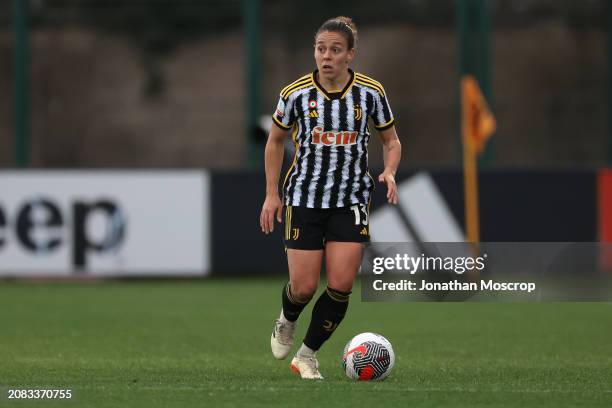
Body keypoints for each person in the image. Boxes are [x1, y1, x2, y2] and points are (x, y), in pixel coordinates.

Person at [259, 16, 401, 380]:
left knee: (340, 284)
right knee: (304, 287)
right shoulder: (295, 94)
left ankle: (306, 356)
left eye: (335, 50)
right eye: (321, 49)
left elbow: (391, 140)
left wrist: (390, 170)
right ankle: (287, 319)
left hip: (351, 200)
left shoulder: (370, 93)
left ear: (350, 54)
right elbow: (274, 141)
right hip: (304, 198)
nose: (326, 56)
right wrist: (271, 194)